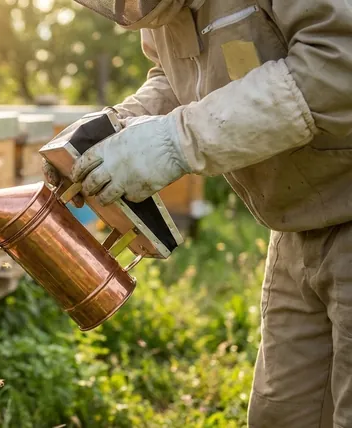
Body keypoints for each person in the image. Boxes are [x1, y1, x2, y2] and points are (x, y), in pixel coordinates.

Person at [42, 1, 352, 426]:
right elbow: (179, 80)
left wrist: (176, 141)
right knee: (281, 415)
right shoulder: (159, 15)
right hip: (295, 226)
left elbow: (337, 65)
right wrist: (117, 125)